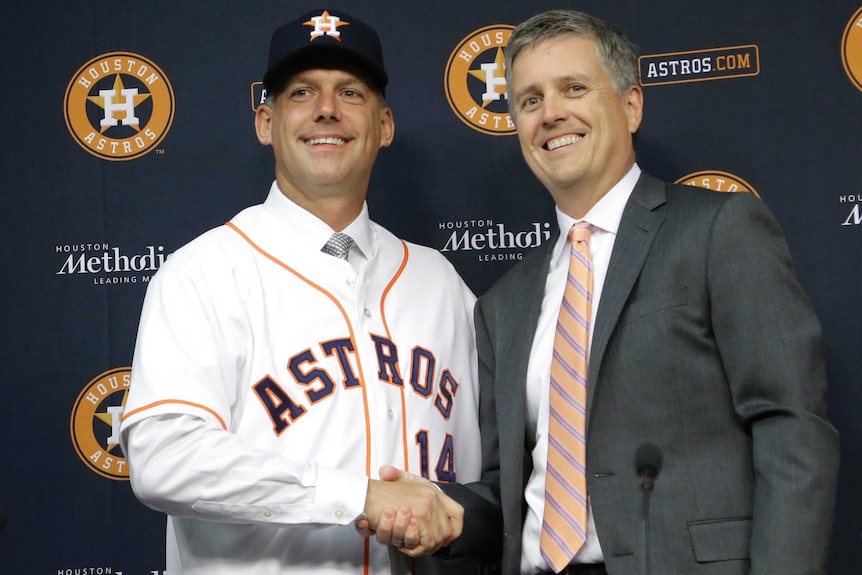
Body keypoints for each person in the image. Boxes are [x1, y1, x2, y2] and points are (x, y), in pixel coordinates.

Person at [370, 8, 840, 575]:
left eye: (573, 88)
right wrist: (445, 510)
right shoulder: (503, 304)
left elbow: (791, 428)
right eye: (530, 100)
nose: (551, 114)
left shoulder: (720, 229)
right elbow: (513, 490)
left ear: (631, 105)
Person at [119, 8, 478, 575]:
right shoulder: (204, 272)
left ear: (384, 126)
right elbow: (165, 459)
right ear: (266, 122)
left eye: (351, 92)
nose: (327, 109)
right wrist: (354, 495)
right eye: (302, 92)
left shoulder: (441, 283)